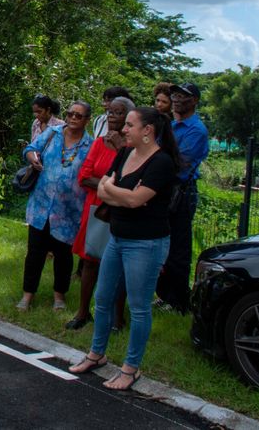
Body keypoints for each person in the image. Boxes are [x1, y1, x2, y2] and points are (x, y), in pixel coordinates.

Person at [69, 107, 181, 391]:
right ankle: (96, 354)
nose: (123, 130)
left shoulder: (161, 162)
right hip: (116, 238)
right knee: (102, 297)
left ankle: (131, 369)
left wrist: (118, 192)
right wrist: (123, 194)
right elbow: (104, 189)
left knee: (139, 307)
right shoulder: (125, 153)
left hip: (146, 244)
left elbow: (132, 199)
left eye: (130, 125)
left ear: (147, 131)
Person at [18, 101, 93, 311]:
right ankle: (27, 295)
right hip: (41, 206)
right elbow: (30, 149)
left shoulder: (90, 145)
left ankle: (59, 297)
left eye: (79, 115)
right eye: (70, 114)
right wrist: (33, 158)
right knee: (35, 253)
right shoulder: (53, 133)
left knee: (63, 255)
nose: (73, 118)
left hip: (69, 211)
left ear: (87, 120)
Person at [67, 97, 134, 330]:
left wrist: (106, 183)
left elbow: (131, 180)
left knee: (119, 265)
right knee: (90, 261)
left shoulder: (133, 148)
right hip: (96, 208)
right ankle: (83, 312)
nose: (112, 116)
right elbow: (84, 176)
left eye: (119, 112)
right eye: (110, 112)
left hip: (122, 210)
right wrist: (110, 186)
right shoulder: (98, 144)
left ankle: (117, 317)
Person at [155, 82, 209, 313]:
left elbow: (181, 162)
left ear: (194, 100)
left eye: (183, 96)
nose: (176, 99)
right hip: (164, 188)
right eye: (175, 95)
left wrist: (155, 162)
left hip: (181, 193)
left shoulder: (196, 130)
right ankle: (164, 294)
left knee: (178, 247)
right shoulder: (170, 124)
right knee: (163, 244)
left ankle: (178, 300)